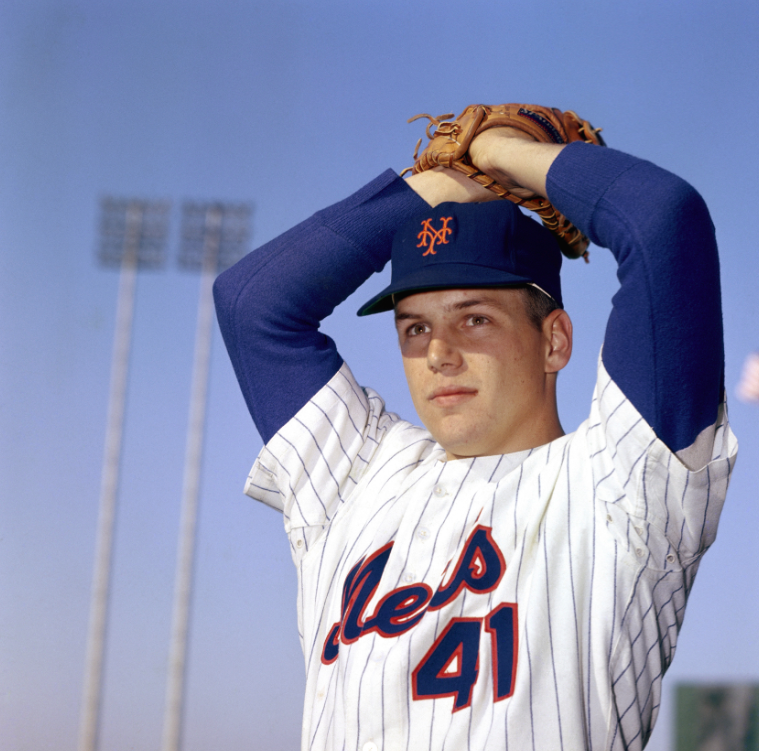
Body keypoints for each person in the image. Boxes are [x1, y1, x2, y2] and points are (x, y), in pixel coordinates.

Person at [213, 106, 737, 751]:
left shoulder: (621, 484)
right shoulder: (357, 476)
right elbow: (251, 304)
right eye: (415, 327)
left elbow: (661, 219)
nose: (439, 353)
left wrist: (501, 153)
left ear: (554, 341)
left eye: (476, 319)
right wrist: (438, 187)